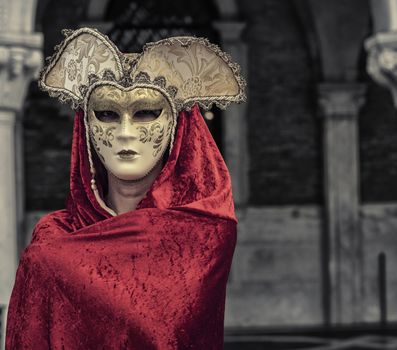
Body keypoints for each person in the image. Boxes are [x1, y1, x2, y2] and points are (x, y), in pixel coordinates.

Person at [6, 27, 246, 349]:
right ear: (86, 128)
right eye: (107, 114)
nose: (125, 133)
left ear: (177, 126)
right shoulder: (51, 241)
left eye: (146, 113)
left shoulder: (202, 233)